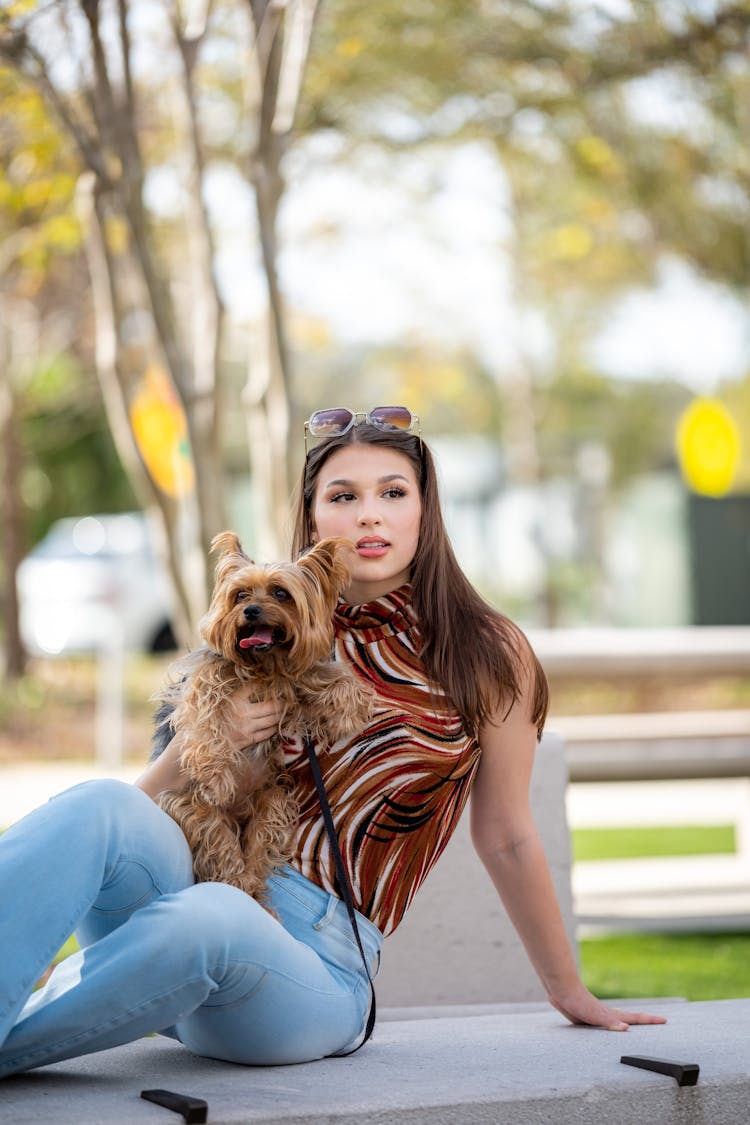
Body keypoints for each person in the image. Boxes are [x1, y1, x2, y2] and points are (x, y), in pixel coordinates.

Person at [0, 406, 665, 1080]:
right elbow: (139, 813)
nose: (369, 515)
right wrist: (208, 739)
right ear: (314, 516)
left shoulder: (486, 652)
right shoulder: (258, 623)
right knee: (98, 804)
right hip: (187, 906)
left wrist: (567, 988)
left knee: (211, 916)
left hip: (309, 973)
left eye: (393, 492)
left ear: (425, 512)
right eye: (344, 496)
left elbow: (507, 836)